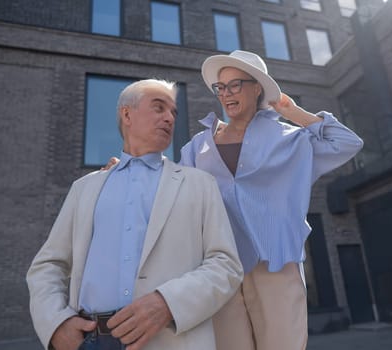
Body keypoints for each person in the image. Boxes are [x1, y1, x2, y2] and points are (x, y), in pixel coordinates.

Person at [26, 79, 243, 350]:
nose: (169, 118)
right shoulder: (84, 188)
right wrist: (56, 323)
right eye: (158, 107)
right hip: (90, 341)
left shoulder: (200, 184)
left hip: (172, 341)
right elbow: (48, 266)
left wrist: (169, 303)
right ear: (127, 114)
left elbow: (226, 264)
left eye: (173, 112)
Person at [178, 50, 364, 350]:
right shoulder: (198, 145)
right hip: (220, 266)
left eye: (235, 85)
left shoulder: (290, 138)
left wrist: (293, 112)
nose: (226, 94)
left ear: (257, 87)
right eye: (221, 88)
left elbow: (348, 143)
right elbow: (177, 191)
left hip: (276, 263)